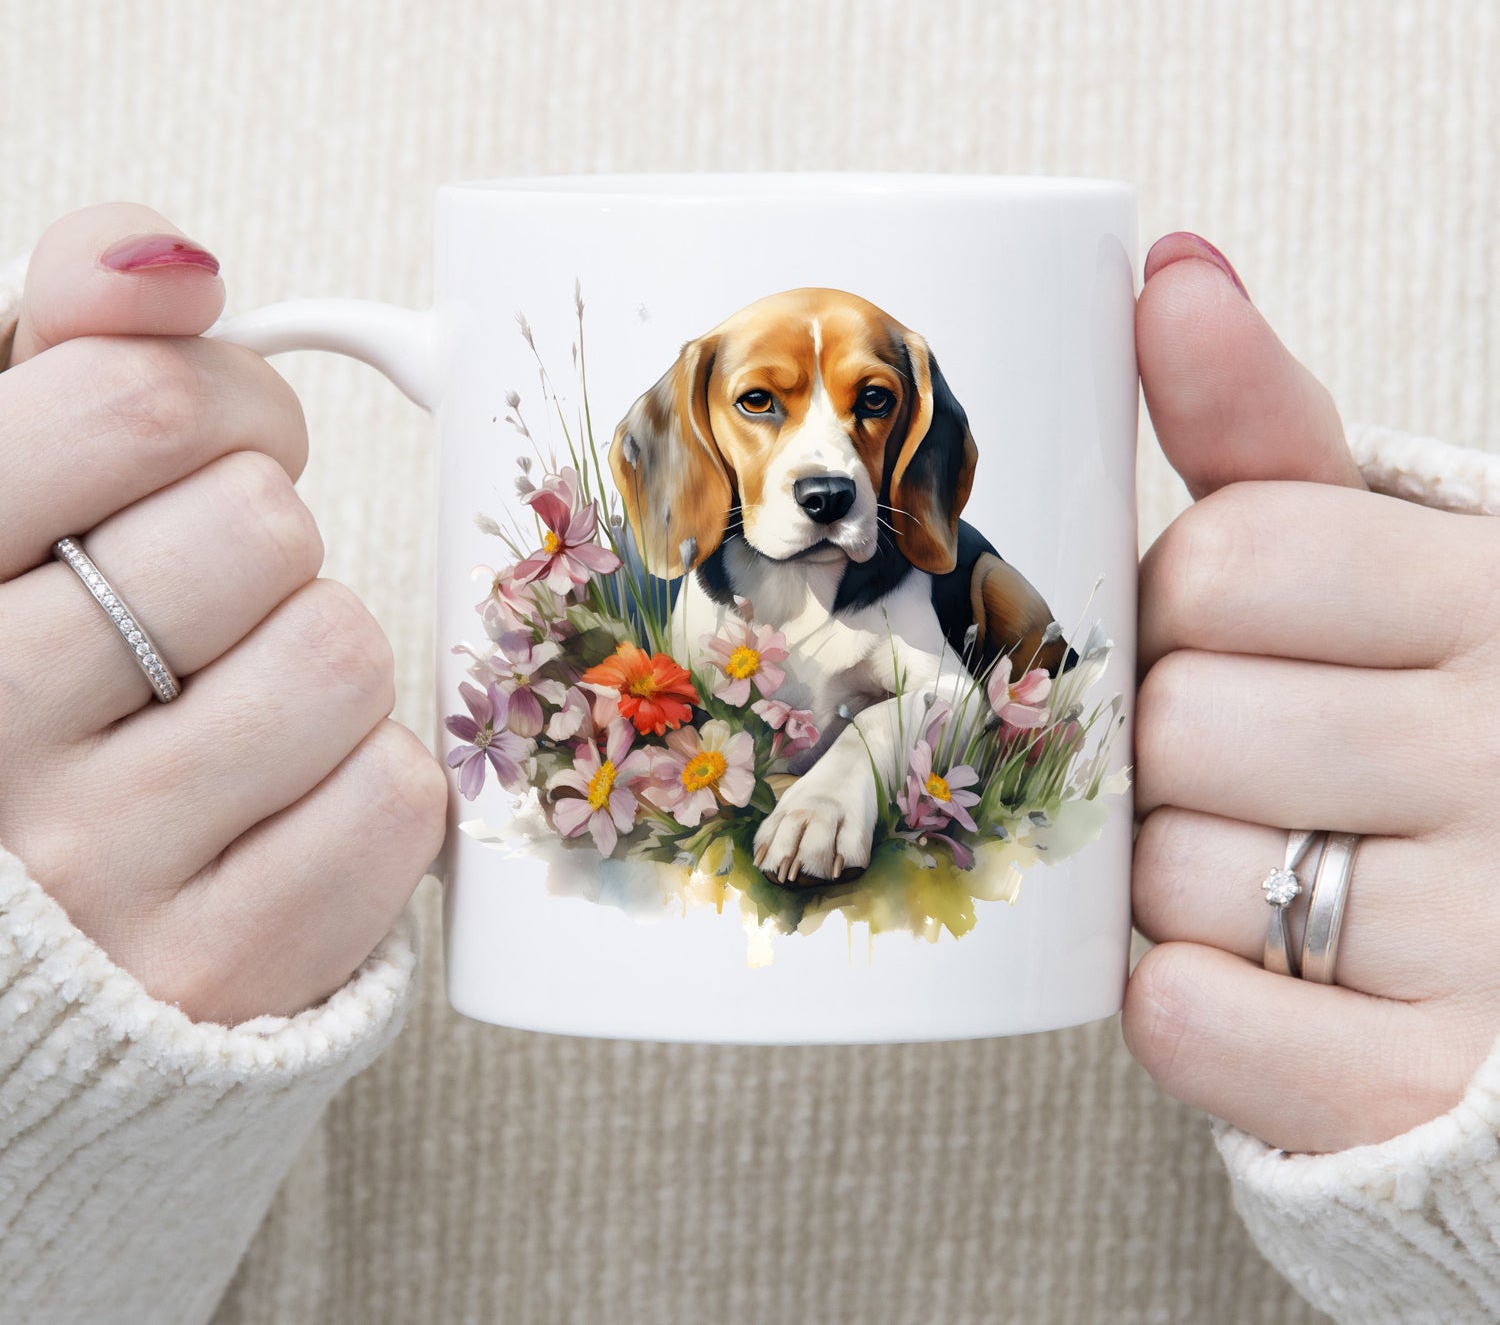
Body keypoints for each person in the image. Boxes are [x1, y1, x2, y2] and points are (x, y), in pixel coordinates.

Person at [1, 205, 1497, 1325]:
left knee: (1000, 647)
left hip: (937, 639)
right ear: (696, 433)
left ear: (915, 439)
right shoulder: (691, 576)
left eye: (870, 409)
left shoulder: (914, 561)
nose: (827, 459)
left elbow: (927, 689)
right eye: (769, 403)